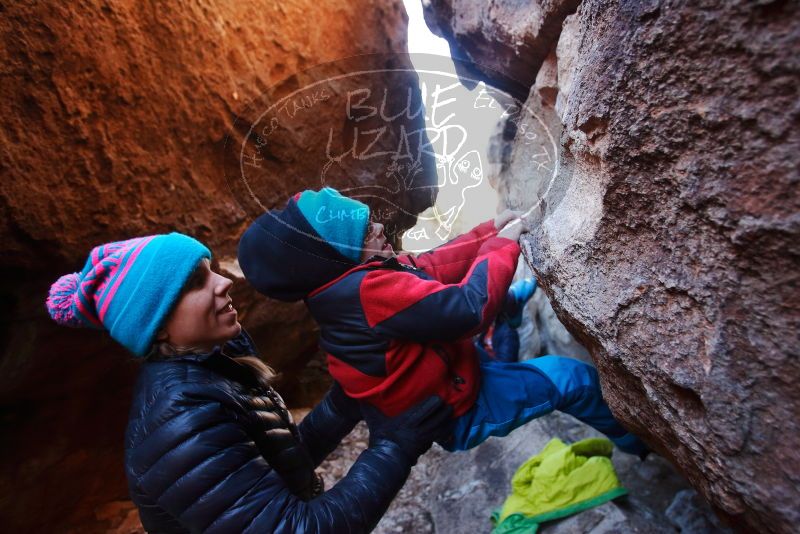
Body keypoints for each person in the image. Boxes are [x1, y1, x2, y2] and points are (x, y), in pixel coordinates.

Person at [46, 232, 452, 533]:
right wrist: (397, 444)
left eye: (209, 271)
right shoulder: (179, 422)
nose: (223, 282)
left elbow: (280, 459)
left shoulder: (215, 364)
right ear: (158, 327)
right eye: (194, 283)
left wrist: (349, 398)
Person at [238, 188, 648, 455]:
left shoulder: (356, 280)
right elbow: (467, 310)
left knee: (505, 329)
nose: (379, 227)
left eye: (370, 220)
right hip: (457, 409)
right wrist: (502, 245)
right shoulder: (365, 295)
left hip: (455, 372)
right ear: (334, 258)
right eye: (364, 233)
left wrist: (489, 230)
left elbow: (431, 265)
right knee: (571, 379)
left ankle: (511, 324)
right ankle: (645, 443)